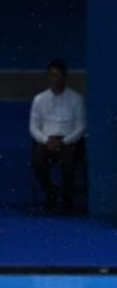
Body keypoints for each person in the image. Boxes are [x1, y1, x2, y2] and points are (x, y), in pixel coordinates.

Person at [29, 58, 86, 213]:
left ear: (64, 77)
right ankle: (51, 192)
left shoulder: (76, 99)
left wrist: (65, 141)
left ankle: (67, 199)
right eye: (51, 75)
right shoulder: (39, 99)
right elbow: (33, 127)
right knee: (37, 161)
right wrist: (46, 141)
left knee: (69, 161)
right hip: (46, 141)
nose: (54, 79)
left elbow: (81, 127)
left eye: (58, 75)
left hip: (68, 141)